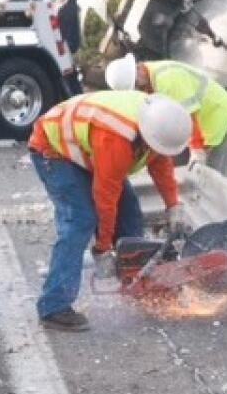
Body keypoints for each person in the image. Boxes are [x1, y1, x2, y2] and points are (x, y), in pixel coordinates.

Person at [28, 90, 192, 331]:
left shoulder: (156, 123)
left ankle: (139, 282)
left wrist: (173, 205)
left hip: (89, 150)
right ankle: (54, 307)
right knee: (80, 220)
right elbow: (106, 199)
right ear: (148, 135)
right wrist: (102, 249)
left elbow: (161, 164)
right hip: (54, 150)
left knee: (130, 215)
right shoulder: (117, 139)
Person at [105, 54, 227, 175]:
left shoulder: (167, 80)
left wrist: (197, 150)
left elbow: (188, 117)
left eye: (135, 84)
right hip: (202, 119)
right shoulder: (148, 79)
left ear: (139, 70)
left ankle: (220, 200)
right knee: (181, 169)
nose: (137, 89)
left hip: (217, 114)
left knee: (212, 176)